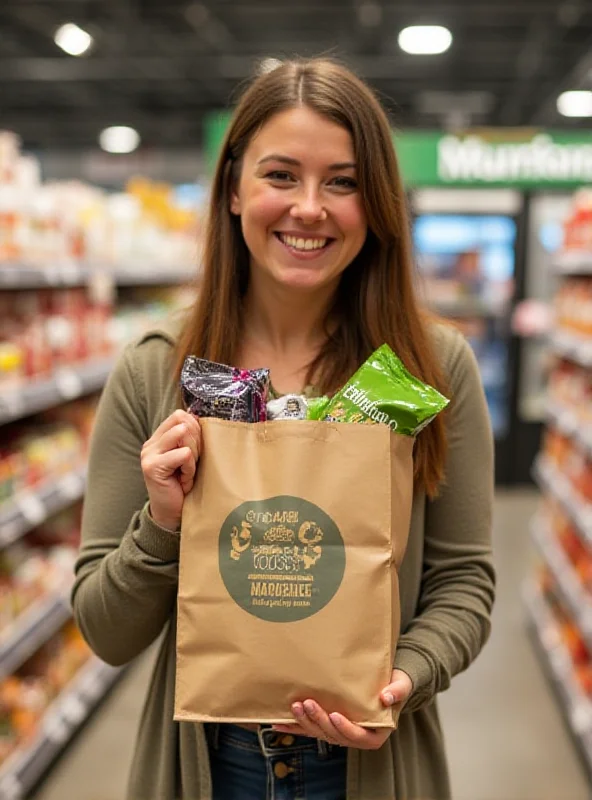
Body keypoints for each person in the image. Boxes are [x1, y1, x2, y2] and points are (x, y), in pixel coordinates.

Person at [72, 57, 495, 800]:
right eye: (280, 175)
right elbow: (106, 634)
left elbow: (463, 582)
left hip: (372, 767)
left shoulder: (432, 367)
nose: (310, 208)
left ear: (380, 203)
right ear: (233, 187)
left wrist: (403, 681)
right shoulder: (156, 370)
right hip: (207, 765)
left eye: (344, 181)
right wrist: (163, 523)